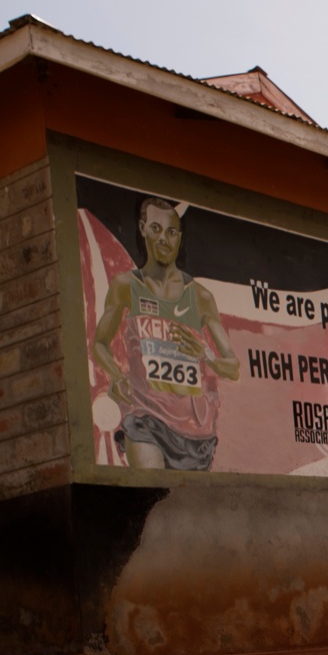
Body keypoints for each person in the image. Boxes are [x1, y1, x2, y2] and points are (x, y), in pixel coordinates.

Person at [93, 197, 240, 470]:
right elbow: (99, 344)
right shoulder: (127, 285)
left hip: (194, 431)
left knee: (189, 511)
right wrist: (116, 376)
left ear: (179, 238)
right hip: (145, 419)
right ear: (142, 228)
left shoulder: (199, 296)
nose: (164, 238)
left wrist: (205, 354)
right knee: (153, 495)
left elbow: (232, 368)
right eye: (156, 229)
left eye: (171, 232)